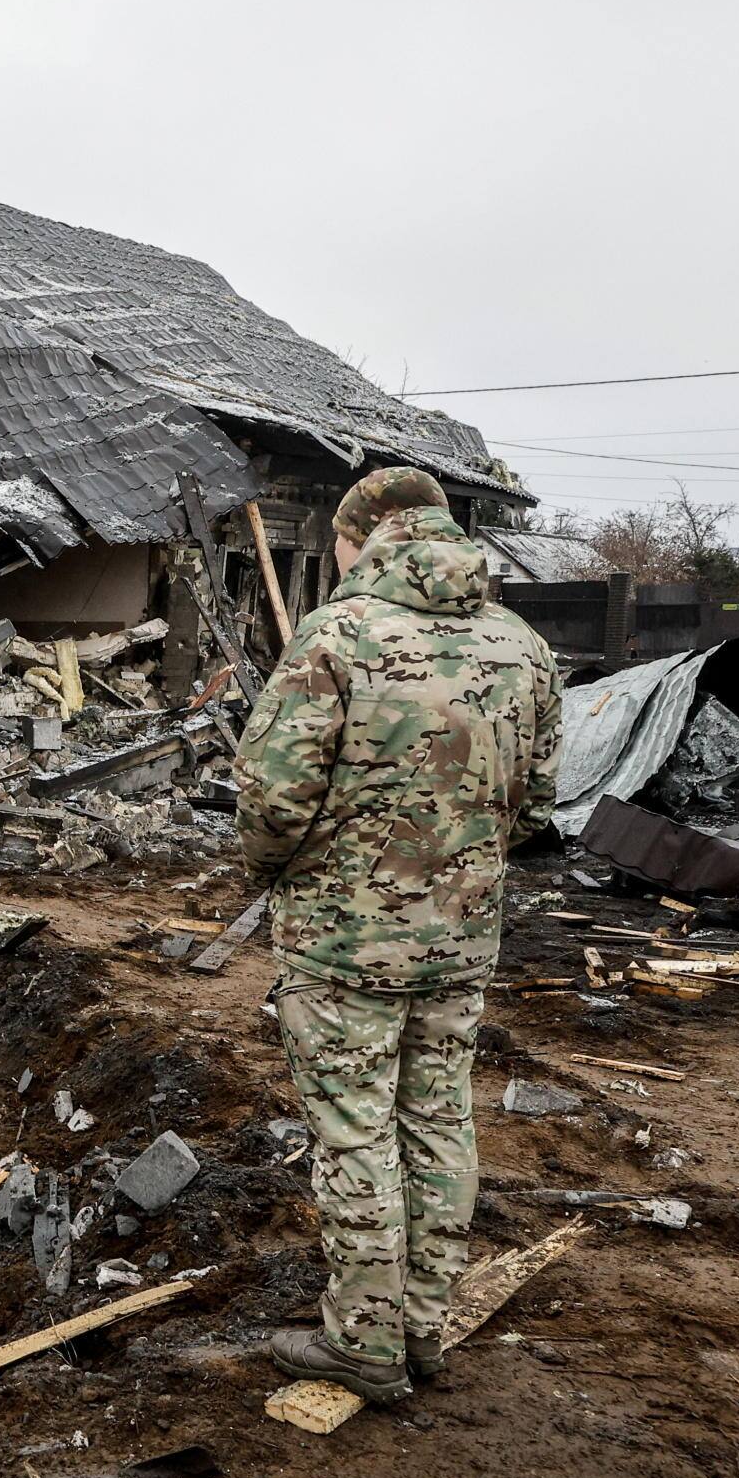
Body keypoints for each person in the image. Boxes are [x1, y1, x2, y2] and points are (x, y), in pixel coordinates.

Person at [234, 466, 562, 1404]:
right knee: (440, 1117)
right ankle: (423, 1328)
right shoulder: (522, 644)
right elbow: (537, 804)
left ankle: (365, 1341)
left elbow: (271, 799)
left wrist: (272, 875)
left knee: (356, 1129)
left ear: (359, 537)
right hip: (461, 940)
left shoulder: (337, 637)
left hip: (343, 945)